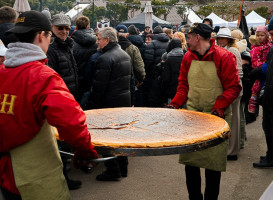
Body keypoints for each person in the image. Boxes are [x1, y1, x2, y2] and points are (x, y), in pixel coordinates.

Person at [0, 10, 98, 200]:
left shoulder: (2, 71)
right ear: (41, 36)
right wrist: (85, 151)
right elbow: (71, 122)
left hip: (5, 175)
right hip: (35, 176)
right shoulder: (43, 76)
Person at [165, 23, 241, 200]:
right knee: (191, 163)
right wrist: (174, 105)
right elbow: (183, 86)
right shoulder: (187, 57)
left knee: (212, 166)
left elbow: (233, 87)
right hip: (192, 117)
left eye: (188, 37)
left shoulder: (224, 56)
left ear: (197, 37)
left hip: (216, 118)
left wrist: (219, 107)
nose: (187, 41)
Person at [88, 27, 132, 181]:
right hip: (122, 103)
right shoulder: (124, 54)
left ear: (107, 40)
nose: (97, 41)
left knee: (107, 139)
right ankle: (123, 167)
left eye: (99, 38)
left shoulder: (104, 58)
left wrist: (91, 106)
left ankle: (113, 170)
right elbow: (129, 82)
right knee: (120, 137)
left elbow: (99, 87)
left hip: (108, 105)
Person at [46, 12, 82, 189]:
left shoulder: (67, 45)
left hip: (69, 97)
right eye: (60, 28)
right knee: (60, 142)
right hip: (60, 101)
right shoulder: (52, 48)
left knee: (65, 141)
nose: (64, 31)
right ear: (52, 28)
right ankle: (62, 181)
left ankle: (64, 177)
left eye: (67, 28)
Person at [215, 27, 243, 161]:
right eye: (219, 38)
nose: (220, 40)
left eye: (223, 38)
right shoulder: (227, 49)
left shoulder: (232, 50)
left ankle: (232, 151)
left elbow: (238, 73)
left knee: (234, 121)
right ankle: (231, 149)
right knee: (232, 120)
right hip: (230, 89)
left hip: (234, 90)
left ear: (228, 39)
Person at [253, 18, 273, 168]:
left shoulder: (271, 49)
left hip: (270, 94)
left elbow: (267, 69)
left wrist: (255, 72)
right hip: (268, 90)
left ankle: (271, 158)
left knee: (269, 125)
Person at [116, 24, 145, 107]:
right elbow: (139, 67)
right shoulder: (133, 49)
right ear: (127, 35)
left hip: (115, 86)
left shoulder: (109, 48)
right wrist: (140, 80)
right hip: (132, 84)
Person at [72, 16, 97, 105]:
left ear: (76, 27)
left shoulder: (71, 43)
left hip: (76, 81)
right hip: (92, 80)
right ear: (88, 26)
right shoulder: (97, 43)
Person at [248, 25, 272, 114]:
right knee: (256, 87)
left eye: (262, 35)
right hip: (258, 68)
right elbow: (254, 60)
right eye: (258, 35)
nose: (259, 37)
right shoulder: (254, 47)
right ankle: (253, 103)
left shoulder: (270, 46)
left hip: (266, 69)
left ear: (266, 35)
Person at [143, 25, 169, 107]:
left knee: (153, 96)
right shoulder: (169, 42)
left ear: (153, 34)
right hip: (166, 73)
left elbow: (148, 62)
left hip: (153, 75)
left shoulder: (152, 44)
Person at [161, 39, 184, 104]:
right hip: (183, 91)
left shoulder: (169, 59)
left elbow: (166, 78)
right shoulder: (184, 57)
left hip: (171, 90)